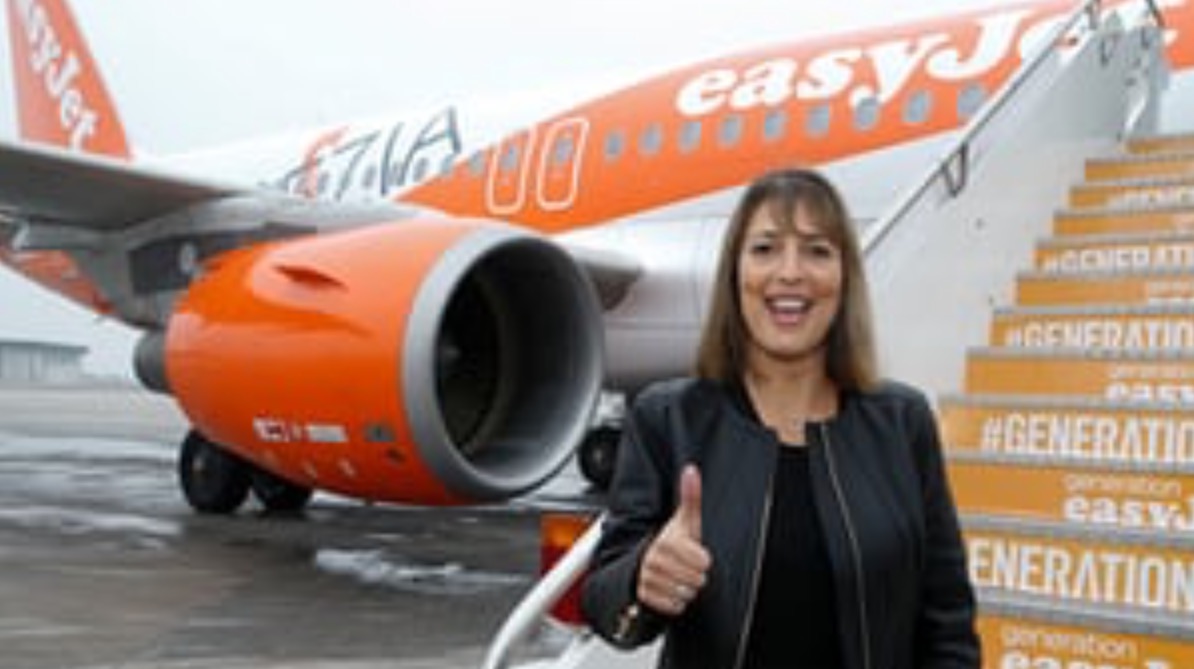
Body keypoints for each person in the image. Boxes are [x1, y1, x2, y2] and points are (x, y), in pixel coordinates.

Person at [580, 167, 981, 669]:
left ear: (844, 279)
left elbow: (947, 623)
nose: (790, 272)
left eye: (817, 251)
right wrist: (642, 578)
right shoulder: (669, 418)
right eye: (765, 248)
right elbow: (603, 602)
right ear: (736, 274)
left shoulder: (903, 422)